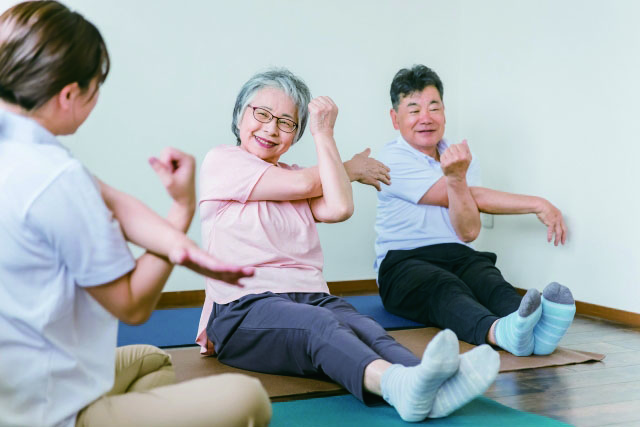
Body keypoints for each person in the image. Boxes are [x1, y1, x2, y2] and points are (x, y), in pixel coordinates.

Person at [0, 2, 271, 426]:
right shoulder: (55, 179)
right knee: (250, 397)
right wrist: (181, 215)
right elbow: (133, 305)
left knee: (150, 361)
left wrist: (180, 241)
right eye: (95, 87)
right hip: (43, 411)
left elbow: (112, 200)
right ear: (69, 94)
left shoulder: (20, 145)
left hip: (19, 381)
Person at [196, 68, 501, 422]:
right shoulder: (223, 161)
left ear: (296, 134)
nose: (270, 128)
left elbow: (340, 207)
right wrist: (352, 167)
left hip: (308, 295)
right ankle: (395, 386)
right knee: (318, 327)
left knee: (366, 328)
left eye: (286, 122)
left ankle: (436, 382)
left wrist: (325, 134)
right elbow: (301, 185)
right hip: (241, 308)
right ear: (240, 114)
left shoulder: (297, 175)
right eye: (261, 114)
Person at [375, 64, 576, 357]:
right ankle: (500, 332)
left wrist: (458, 176)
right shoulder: (391, 158)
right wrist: (537, 203)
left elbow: (468, 231)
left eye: (434, 107)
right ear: (395, 118)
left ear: (444, 111)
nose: (426, 118)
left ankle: (539, 332)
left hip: (456, 253)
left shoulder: (459, 157)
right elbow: (465, 194)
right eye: (414, 109)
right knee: (444, 286)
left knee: (487, 279)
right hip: (403, 263)